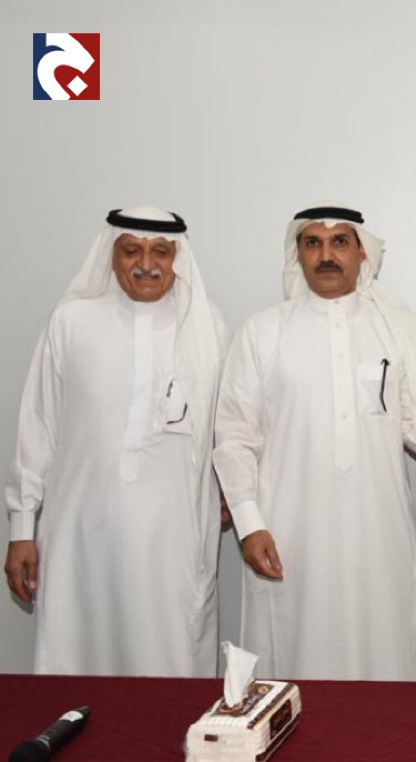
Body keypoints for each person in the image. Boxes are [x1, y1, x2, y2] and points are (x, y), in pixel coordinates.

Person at [213, 205, 416, 680]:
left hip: (379, 531)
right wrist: (249, 525)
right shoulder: (262, 332)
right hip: (289, 532)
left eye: (339, 243)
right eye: (313, 243)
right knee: (294, 653)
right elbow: (234, 437)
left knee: (384, 650)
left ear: (361, 253)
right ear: (298, 254)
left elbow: (415, 419)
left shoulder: (394, 328)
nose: (326, 255)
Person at [5, 207, 227, 676]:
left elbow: (228, 425)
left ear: (178, 258)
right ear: (112, 255)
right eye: (132, 251)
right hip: (81, 533)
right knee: (78, 655)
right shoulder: (71, 322)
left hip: (173, 534)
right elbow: (37, 427)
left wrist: (228, 489)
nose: (146, 263)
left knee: (168, 661)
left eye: (160, 252)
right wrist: (21, 528)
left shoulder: (208, 328)